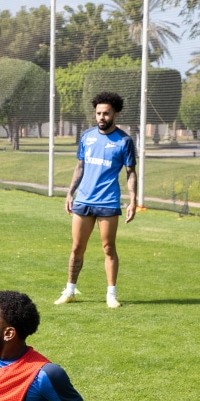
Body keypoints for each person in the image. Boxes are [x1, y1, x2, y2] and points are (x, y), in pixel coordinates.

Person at [55, 91, 138, 309]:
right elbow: (80, 166)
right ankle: (70, 290)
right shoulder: (87, 136)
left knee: (108, 247)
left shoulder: (124, 141)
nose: (101, 117)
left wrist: (133, 200)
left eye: (106, 113)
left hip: (108, 202)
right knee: (76, 248)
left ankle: (111, 294)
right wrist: (70, 192)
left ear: (116, 114)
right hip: (83, 200)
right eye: (99, 113)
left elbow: (130, 172)